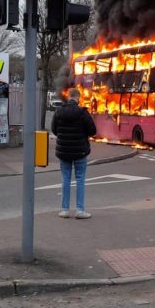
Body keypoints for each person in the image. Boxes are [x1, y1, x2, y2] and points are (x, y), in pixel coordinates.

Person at [51, 88, 97, 219]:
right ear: (78, 98)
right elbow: (93, 130)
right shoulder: (83, 113)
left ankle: (65, 210)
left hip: (64, 151)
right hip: (80, 151)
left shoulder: (58, 111)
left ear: (68, 97)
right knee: (80, 179)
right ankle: (80, 210)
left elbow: (54, 129)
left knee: (65, 178)